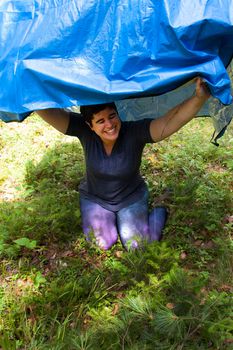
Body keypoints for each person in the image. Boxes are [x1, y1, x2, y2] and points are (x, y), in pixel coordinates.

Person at [36, 78, 210, 250]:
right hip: (95, 198)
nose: (110, 124)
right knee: (101, 243)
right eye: (101, 121)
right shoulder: (83, 131)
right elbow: (50, 112)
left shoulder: (134, 132)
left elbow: (168, 122)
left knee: (137, 246)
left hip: (131, 198)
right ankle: (110, 222)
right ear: (90, 125)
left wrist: (199, 97)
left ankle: (160, 209)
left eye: (112, 116)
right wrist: (30, 88)